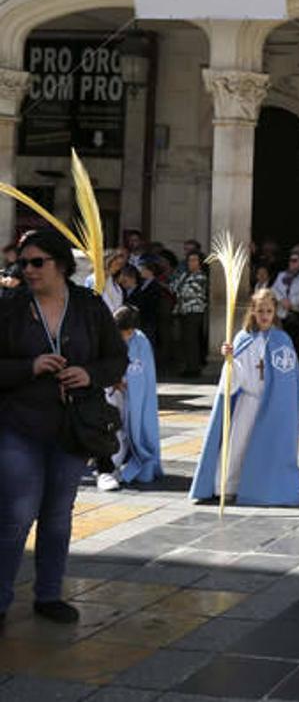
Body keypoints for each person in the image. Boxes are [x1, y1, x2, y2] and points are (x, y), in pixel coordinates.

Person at [0, 229, 127, 624]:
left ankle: (49, 594)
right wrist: (30, 366)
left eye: (38, 262)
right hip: (20, 423)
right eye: (24, 263)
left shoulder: (88, 306)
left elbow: (116, 360)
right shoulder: (10, 306)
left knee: (58, 513)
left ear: (61, 264)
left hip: (74, 428)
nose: (29, 270)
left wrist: (88, 374)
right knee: (17, 513)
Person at [189, 289, 299, 506]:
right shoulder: (243, 338)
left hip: (273, 406)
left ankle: (267, 488)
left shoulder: (282, 340)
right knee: (237, 445)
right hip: (248, 402)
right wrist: (230, 359)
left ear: (275, 312)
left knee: (268, 447)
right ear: (252, 310)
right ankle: (228, 486)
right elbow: (235, 380)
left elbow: (289, 380)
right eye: (260, 310)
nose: (265, 315)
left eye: (269, 311)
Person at [108, 305, 162, 486]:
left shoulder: (141, 341)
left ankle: (117, 464)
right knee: (115, 427)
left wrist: (126, 381)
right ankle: (110, 465)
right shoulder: (110, 335)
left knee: (127, 429)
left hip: (130, 392)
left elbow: (141, 370)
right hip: (113, 391)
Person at [171, 251, 209, 378]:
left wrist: (179, 288)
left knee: (192, 340)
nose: (191, 263)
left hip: (195, 311)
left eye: (194, 260)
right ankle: (188, 366)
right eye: (189, 260)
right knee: (185, 340)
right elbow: (173, 287)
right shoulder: (185, 275)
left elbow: (186, 292)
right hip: (183, 310)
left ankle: (193, 368)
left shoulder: (200, 276)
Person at [273, 252, 299, 372]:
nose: (292, 263)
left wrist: (292, 303)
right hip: (282, 315)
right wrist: (282, 300)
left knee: (297, 347)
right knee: (282, 346)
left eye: (295, 261)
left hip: (297, 315)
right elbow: (274, 289)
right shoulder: (282, 275)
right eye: (290, 260)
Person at [87, 248, 128, 314]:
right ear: (108, 262)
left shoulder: (114, 283)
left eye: (120, 265)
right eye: (116, 264)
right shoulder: (92, 279)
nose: (118, 268)